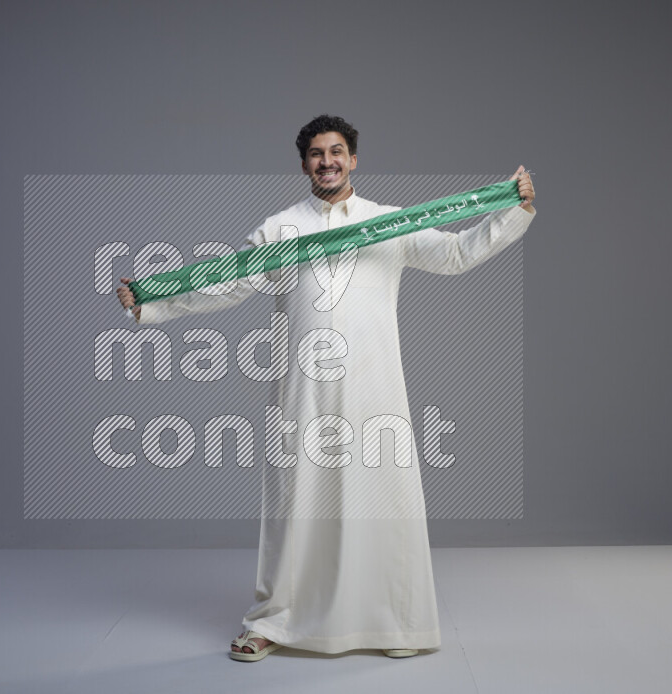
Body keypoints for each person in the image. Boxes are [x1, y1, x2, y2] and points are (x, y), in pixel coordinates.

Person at [117, 115, 536, 661]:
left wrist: (514, 210)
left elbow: (456, 254)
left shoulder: (389, 223)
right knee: (296, 503)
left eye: (337, 151)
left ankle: (395, 624)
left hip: (375, 385)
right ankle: (274, 621)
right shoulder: (279, 230)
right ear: (303, 164)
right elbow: (224, 284)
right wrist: (153, 299)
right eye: (316, 154)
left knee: (383, 498)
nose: (328, 161)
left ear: (354, 158)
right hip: (302, 391)